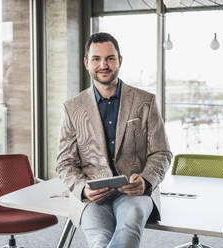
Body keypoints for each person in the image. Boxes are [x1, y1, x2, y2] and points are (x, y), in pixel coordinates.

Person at [56, 32, 172, 248]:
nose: (103, 65)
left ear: (120, 60)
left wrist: (146, 180)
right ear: (86, 63)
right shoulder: (72, 108)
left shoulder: (145, 101)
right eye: (96, 59)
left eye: (110, 58)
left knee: (128, 230)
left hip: (135, 193)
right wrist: (83, 188)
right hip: (92, 197)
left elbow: (162, 152)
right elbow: (65, 163)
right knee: (99, 241)